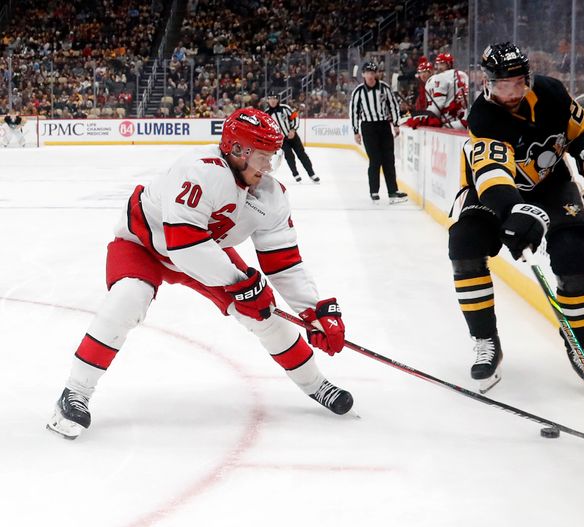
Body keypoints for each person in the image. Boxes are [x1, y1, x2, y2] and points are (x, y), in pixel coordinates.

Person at [47, 108, 353, 440]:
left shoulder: (271, 195)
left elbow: (283, 261)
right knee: (128, 298)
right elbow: (184, 244)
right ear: (237, 150)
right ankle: (74, 393)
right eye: (263, 157)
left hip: (205, 252)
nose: (268, 168)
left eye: (272, 157)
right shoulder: (199, 171)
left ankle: (315, 383)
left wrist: (313, 310)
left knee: (265, 316)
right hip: (144, 244)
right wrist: (242, 284)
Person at [448, 42, 584, 393]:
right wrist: (516, 212)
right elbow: (493, 175)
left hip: (552, 185)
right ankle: (485, 340)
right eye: (502, 86)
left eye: (518, 83)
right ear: (486, 83)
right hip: (496, 189)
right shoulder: (483, 118)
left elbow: (581, 129)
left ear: (528, 77)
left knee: (575, 256)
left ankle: (579, 346)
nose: (511, 93)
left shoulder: (551, 92)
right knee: (465, 243)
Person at [349, 61, 407, 204]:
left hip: (383, 126)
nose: (370, 75)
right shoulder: (358, 91)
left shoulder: (384, 88)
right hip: (368, 127)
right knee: (375, 160)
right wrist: (356, 131)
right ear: (363, 74)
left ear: (376, 74)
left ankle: (392, 192)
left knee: (389, 159)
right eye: (368, 72)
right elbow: (354, 112)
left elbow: (393, 105)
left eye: (373, 72)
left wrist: (395, 124)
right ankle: (374, 191)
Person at [265, 91, 318, 183]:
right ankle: (295, 173)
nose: (273, 100)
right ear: (268, 100)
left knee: (302, 154)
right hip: (281, 140)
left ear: (278, 99)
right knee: (289, 155)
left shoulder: (285, 108)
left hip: (293, 136)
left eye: (275, 98)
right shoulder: (266, 114)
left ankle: (311, 174)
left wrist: (293, 130)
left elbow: (295, 117)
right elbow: (267, 129)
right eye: (270, 98)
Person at [423, 52, 470, 129]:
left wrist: (427, 118)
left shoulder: (440, 77)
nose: (439, 67)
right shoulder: (463, 74)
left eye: (441, 64)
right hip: (465, 120)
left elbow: (438, 105)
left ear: (448, 64)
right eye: (438, 64)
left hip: (448, 123)